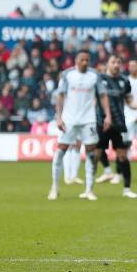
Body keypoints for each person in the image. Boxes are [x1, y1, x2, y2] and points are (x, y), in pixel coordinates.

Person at [48, 50, 111, 201]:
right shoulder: (67, 75)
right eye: (82, 60)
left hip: (88, 119)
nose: (85, 62)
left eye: (87, 60)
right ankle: (55, 187)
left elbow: (102, 95)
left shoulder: (94, 75)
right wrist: (59, 117)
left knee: (90, 153)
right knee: (60, 152)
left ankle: (89, 189)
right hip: (69, 119)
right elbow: (60, 95)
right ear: (76, 60)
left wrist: (108, 115)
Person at [94, 55, 137, 198]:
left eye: (119, 62)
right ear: (107, 64)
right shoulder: (99, 79)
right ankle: (90, 187)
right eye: (113, 62)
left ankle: (127, 189)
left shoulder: (124, 81)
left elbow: (129, 99)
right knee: (96, 153)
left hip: (119, 122)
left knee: (122, 155)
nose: (116, 65)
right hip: (101, 122)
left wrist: (135, 106)